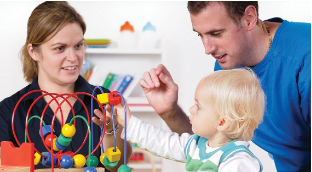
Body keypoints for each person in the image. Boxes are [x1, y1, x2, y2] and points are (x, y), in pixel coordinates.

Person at [139, 1, 311, 172]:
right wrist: (170, 112)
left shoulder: (305, 58)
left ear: (249, 18)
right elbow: (212, 143)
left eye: (216, 33)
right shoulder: (229, 63)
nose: (207, 49)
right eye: (200, 35)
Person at [0, 1, 132, 171]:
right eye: (60, 48)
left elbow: (118, 166)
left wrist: (110, 130)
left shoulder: (104, 101)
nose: (73, 57)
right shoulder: (9, 111)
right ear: (33, 52)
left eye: (78, 46)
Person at [108, 68, 265, 172]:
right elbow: (161, 141)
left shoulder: (239, 161)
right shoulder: (197, 145)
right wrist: (128, 122)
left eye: (198, 106)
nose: (191, 109)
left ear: (222, 122)